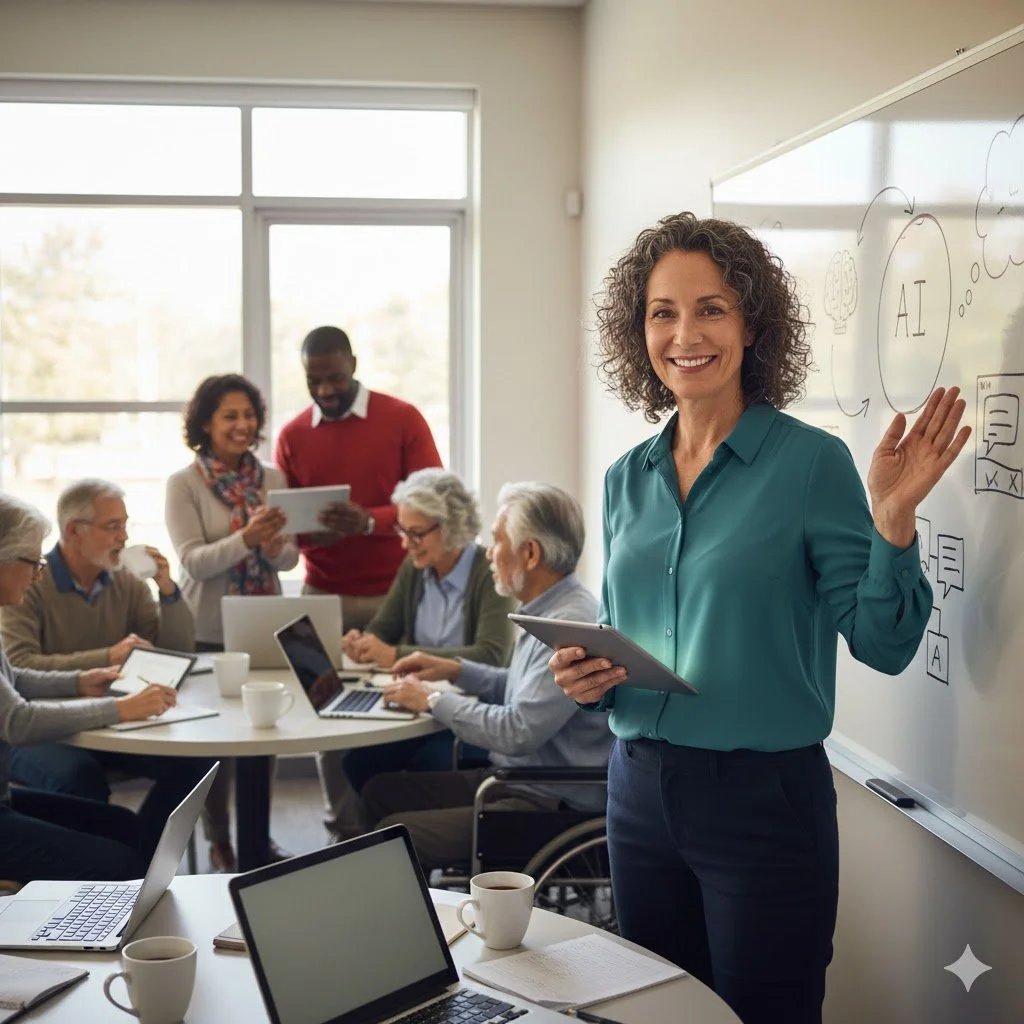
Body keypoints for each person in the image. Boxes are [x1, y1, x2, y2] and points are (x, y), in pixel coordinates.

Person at [549, 212, 971, 1024]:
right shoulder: (624, 478)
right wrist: (590, 679)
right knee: (653, 1012)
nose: (685, 334)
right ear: (638, 331)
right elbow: (628, 632)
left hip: (763, 802)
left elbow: (883, 644)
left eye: (710, 308)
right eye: (662, 312)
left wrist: (893, 523)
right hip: (636, 790)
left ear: (751, 322)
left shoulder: (810, 464)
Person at [358, 482, 613, 870]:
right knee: (378, 791)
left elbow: (516, 730)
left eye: (496, 542)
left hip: (545, 802)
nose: (489, 554)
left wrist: (432, 699)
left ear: (530, 553)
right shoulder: (549, 607)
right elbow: (515, 689)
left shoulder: (569, 626)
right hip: (515, 779)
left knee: (395, 835)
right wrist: (456, 670)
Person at [0, 479, 213, 865]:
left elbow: (11, 677)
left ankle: (140, 880)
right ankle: (121, 884)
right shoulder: (31, 593)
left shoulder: (125, 579)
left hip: (70, 735)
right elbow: (17, 717)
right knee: (108, 842)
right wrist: (117, 701)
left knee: (133, 824)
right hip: (37, 742)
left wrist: (81, 679)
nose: (37, 574)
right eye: (32, 563)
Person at [323, 468, 515, 837]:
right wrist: (363, 643)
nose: (405, 544)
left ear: (452, 527)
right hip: (414, 710)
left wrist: (394, 652)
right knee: (356, 761)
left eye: (416, 533)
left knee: (423, 765)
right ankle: (386, 848)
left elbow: (490, 654)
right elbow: (383, 629)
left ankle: (415, 847)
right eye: (401, 531)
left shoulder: (488, 573)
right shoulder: (415, 569)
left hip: (464, 718)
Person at [166, 373, 298, 872]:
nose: (243, 425)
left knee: (266, 733)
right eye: (230, 416)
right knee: (216, 743)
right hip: (209, 626)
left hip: (266, 620)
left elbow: (289, 560)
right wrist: (245, 538)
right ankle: (220, 841)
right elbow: (194, 562)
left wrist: (272, 546)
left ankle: (257, 838)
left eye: (249, 415)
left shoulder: (274, 479)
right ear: (205, 422)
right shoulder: (184, 484)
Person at [274, 325, 443, 631]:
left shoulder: (403, 419)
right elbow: (286, 520)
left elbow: (434, 503)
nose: (325, 390)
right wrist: (311, 533)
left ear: (353, 364)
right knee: (315, 681)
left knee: (403, 679)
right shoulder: (291, 436)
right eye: (314, 381)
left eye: (335, 378)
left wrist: (368, 521)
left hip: (398, 590)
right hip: (321, 593)